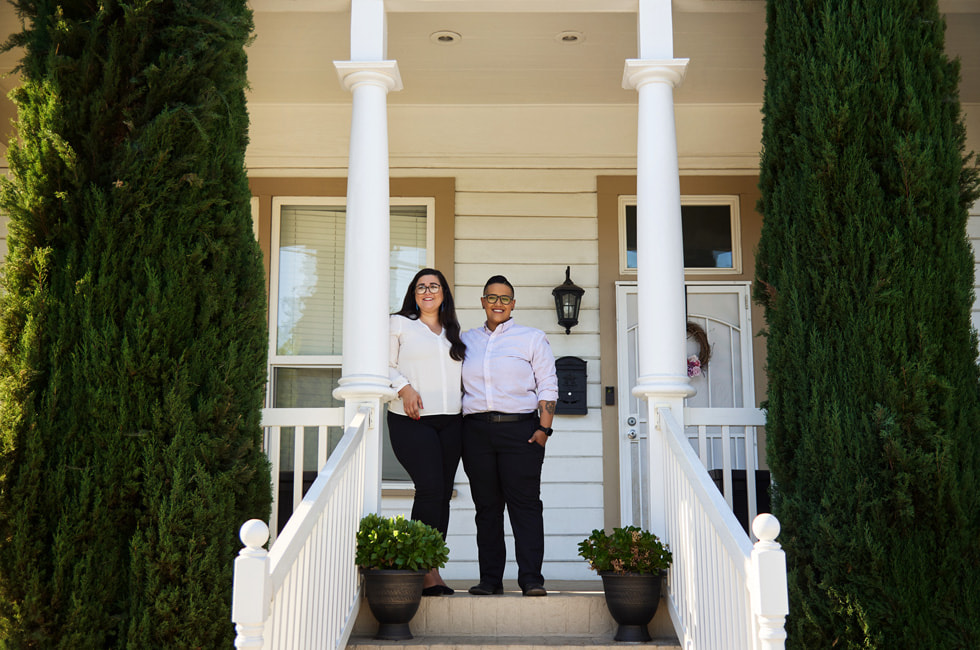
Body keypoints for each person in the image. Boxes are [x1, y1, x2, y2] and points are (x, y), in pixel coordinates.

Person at [460, 275, 558, 597]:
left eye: (505, 298)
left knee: (525, 506)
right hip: (476, 433)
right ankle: (490, 580)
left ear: (513, 304)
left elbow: (548, 384)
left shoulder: (531, 338)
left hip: (521, 431)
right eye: (492, 297)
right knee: (487, 508)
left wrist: (543, 429)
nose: (498, 303)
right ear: (483, 301)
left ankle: (531, 579)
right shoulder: (466, 340)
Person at [388, 268, 466, 596]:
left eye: (434, 286)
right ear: (414, 294)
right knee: (430, 488)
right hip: (413, 420)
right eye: (421, 287)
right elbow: (382, 363)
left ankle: (432, 567)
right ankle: (420, 569)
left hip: (452, 422)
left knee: (443, 493)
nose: (428, 291)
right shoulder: (399, 324)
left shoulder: (453, 332)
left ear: (444, 293)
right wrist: (403, 388)